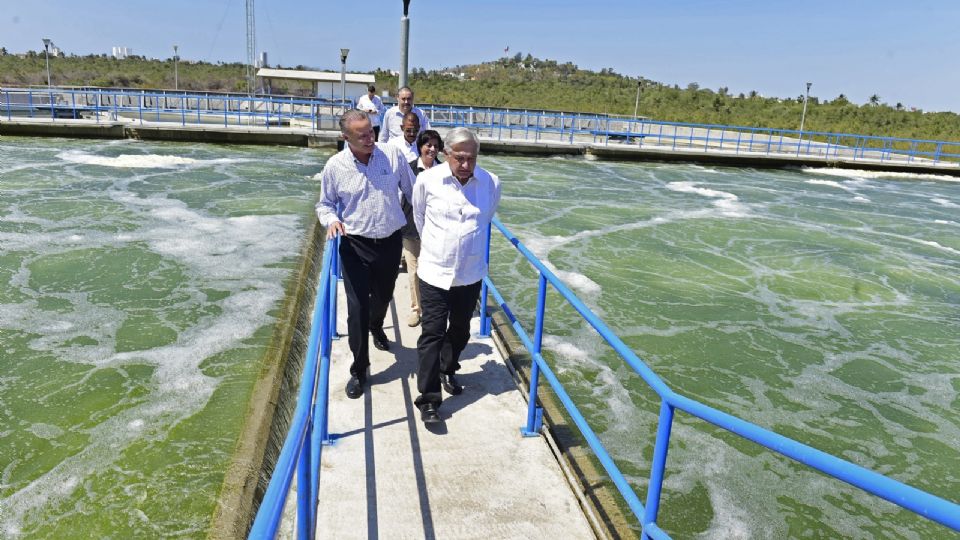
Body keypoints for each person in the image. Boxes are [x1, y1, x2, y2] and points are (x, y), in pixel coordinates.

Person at [315, 109, 416, 399]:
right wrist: (332, 220)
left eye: (371, 131)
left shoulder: (392, 155)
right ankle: (360, 369)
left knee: (383, 297)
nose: (369, 138)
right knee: (356, 309)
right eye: (361, 135)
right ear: (345, 138)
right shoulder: (335, 166)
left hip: (389, 242)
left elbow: (413, 191)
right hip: (355, 244)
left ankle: (377, 325)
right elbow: (325, 204)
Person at [411, 128, 501, 424]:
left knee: (461, 330)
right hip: (435, 271)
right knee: (432, 333)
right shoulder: (427, 180)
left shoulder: (490, 182)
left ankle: (447, 368)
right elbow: (419, 217)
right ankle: (429, 399)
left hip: (470, 272)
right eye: (459, 158)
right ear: (445, 154)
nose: (465, 164)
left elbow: (485, 218)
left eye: (471, 158)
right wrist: (441, 248)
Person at [400, 129, 443, 328]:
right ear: (420, 147)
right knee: (414, 270)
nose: (432, 149)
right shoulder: (408, 169)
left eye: (435, 145)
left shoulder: (444, 171)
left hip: (435, 230)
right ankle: (416, 309)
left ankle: (433, 308)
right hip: (410, 227)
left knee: (432, 270)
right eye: (428, 145)